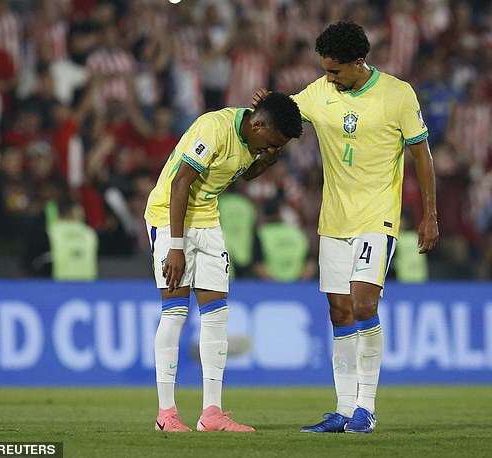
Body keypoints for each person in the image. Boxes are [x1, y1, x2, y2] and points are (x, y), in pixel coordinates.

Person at [253, 22, 439, 433]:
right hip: (333, 220)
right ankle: (342, 407)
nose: (328, 78)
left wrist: (429, 215)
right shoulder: (321, 91)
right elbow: (286, 115)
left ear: (359, 63)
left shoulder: (398, 94)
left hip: (377, 218)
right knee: (339, 312)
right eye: (325, 70)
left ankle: (366, 408)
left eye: (335, 71)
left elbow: (422, 156)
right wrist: (266, 107)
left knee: (363, 305)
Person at [144, 93, 302, 432]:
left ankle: (211, 414)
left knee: (217, 313)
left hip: (208, 221)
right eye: (270, 142)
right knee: (175, 312)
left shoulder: (254, 138)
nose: (268, 148)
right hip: (168, 217)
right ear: (257, 124)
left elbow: (245, 174)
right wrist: (174, 246)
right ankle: (166, 414)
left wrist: (268, 161)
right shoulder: (214, 127)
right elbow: (180, 180)